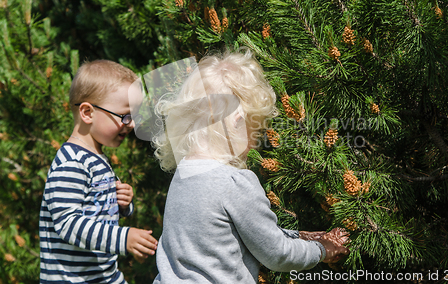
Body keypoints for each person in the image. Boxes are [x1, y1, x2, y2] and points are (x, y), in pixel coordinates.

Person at [152, 49, 349, 283]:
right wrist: (322, 250)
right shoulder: (234, 182)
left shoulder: (184, 174)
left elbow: (240, 235)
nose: (256, 142)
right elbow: (277, 253)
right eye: (256, 129)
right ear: (237, 122)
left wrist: (301, 236)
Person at [39, 60, 158, 283]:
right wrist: (123, 238)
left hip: (105, 276)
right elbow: (67, 222)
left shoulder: (97, 158)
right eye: (124, 115)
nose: (131, 124)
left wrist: (122, 203)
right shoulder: (72, 163)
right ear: (87, 112)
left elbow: (98, 210)